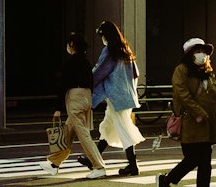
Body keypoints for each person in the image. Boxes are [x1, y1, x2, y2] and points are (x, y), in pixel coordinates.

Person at [158, 37, 216, 187]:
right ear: (189, 54)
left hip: (207, 123)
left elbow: (214, 98)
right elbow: (182, 94)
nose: (202, 55)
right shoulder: (181, 70)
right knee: (193, 158)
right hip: (191, 122)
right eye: (197, 51)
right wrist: (198, 112)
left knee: (205, 160)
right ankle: (167, 180)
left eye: (204, 51)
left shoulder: (208, 72)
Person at [48, 32, 111, 176]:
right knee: (68, 132)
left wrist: (58, 109)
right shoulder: (86, 62)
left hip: (75, 98)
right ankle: (54, 163)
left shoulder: (71, 62)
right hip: (86, 97)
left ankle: (99, 167)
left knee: (83, 134)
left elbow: (63, 85)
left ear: (71, 45)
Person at [92, 20, 144, 177]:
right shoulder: (125, 50)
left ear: (106, 36)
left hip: (115, 97)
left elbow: (100, 72)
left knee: (123, 129)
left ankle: (133, 165)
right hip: (126, 96)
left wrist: (87, 84)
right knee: (108, 126)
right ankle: (93, 158)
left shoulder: (109, 52)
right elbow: (136, 73)